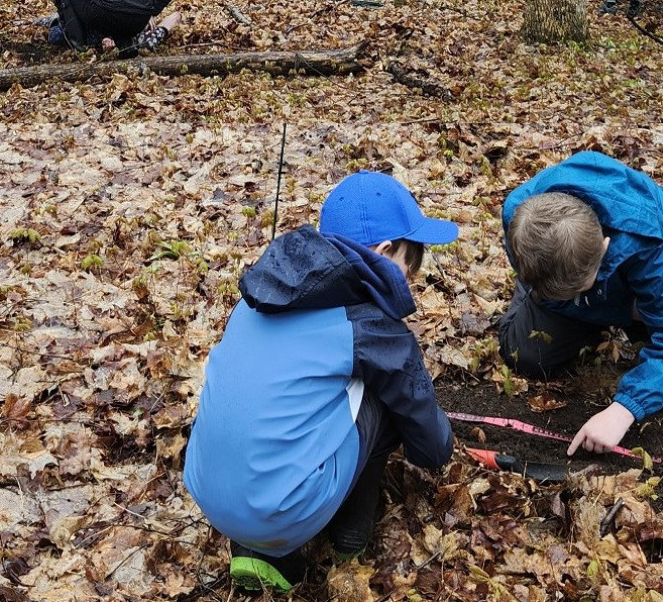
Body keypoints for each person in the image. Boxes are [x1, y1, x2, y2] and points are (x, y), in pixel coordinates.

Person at [183, 171, 458, 592]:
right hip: (283, 511)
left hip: (207, 491)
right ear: (385, 252)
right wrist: (440, 446)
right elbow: (428, 442)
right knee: (386, 400)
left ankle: (253, 551)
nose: (414, 274)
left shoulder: (260, 293)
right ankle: (351, 530)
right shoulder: (369, 328)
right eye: (412, 260)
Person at [497, 152, 663, 457]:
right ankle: (576, 301)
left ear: (605, 247)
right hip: (569, 285)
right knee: (526, 356)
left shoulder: (645, 240)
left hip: (645, 275)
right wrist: (566, 294)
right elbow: (557, 285)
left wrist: (623, 410)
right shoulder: (520, 221)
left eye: (581, 286)